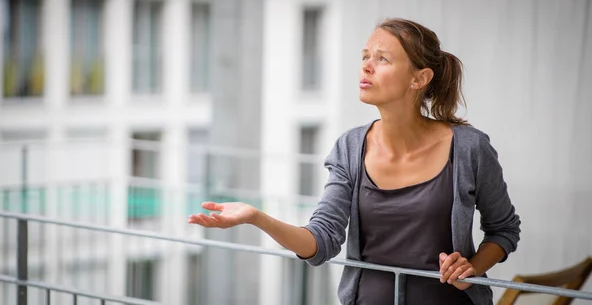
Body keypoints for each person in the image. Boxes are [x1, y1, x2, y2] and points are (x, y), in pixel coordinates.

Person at [188, 18, 521, 305]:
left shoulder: (469, 148)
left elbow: (503, 230)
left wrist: (473, 268)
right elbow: (321, 241)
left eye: (382, 58)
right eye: (365, 56)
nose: (366, 66)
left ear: (419, 79)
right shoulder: (350, 147)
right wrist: (256, 217)